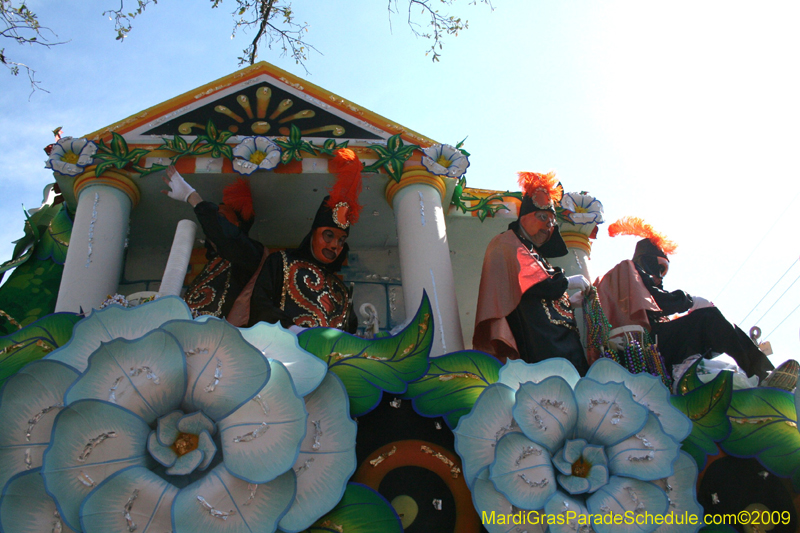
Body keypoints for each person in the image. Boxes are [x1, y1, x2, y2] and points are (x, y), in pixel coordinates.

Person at [163, 148, 361, 333]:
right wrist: (293, 332)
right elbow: (263, 306)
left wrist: (193, 198)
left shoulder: (340, 290)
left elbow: (349, 333)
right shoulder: (282, 262)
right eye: (329, 235)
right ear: (315, 233)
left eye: (341, 240)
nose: (335, 245)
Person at [597, 216, 774, 380]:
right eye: (659, 268)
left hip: (652, 347)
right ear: (646, 260)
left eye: (664, 270)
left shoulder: (625, 281)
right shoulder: (629, 270)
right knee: (709, 318)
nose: (661, 276)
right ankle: (761, 373)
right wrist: (691, 301)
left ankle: (754, 373)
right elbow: (661, 301)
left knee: (716, 329)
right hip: (644, 346)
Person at [473, 171, 591, 374]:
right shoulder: (507, 243)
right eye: (543, 217)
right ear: (524, 217)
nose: (548, 225)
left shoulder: (538, 257)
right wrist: (567, 282)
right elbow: (536, 283)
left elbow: (547, 295)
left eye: (552, 221)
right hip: (541, 347)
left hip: (565, 345)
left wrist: (572, 302)